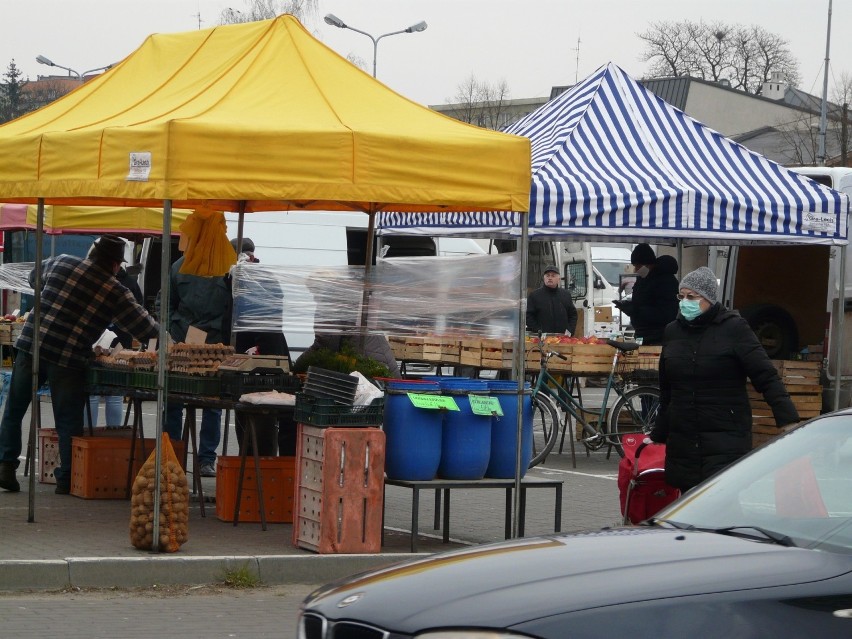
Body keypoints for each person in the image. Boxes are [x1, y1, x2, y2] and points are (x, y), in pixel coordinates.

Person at [0, 235, 159, 494]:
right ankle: (66, 479)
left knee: (15, 410)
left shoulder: (61, 262)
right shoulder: (116, 291)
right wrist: (167, 338)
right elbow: (145, 328)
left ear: (91, 253)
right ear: (115, 265)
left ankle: (5, 465)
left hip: (32, 347)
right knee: (67, 421)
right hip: (68, 358)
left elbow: (33, 278)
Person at [649, 266, 799, 493]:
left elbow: (765, 375)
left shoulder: (734, 328)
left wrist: (787, 419)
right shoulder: (673, 331)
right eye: (681, 296)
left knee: (720, 501)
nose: (684, 302)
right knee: (687, 507)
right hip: (684, 439)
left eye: (692, 297)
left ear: (709, 299)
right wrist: (658, 434)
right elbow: (668, 391)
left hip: (725, 436)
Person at [164, 246, 232, 478]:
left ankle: (202, 458)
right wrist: (168, 333)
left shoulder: (227, 267)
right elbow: (166, 303)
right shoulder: (179, 267)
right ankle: (175, 455)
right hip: (184, 341)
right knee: (176, 401)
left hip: (215, 345)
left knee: (211, 403)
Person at [226, 237, 296, 457]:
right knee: (249, 416)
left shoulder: (249, 279)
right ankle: (252, 464)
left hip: (263, 359)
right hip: (255, 357)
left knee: (260, 417)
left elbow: (265, 324)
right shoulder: (244, 276)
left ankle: (261, 467)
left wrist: (254, 350)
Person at [86, 266, 145, 429]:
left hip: (93, 341)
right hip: (121, 344)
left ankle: (87, 432)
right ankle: (114, 433)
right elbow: (139, 311)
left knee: (92, 393)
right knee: (115, 393)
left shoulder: (93, 280)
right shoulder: (130, 284)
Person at [612, 244, 679, 345]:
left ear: (647, 264)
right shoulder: (643, 278)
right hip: (642, 333)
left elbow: (666, 313)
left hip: (659, 337)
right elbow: (641, 301)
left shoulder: (666, 281)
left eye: (638, 266)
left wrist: (636, 311)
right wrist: (628, 306)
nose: (635, 270)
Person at [525, 265, 578, 335]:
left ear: (558, 279)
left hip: (562, 338)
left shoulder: (566, 295)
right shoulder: (534, 295)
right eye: (547, 275)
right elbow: (528, 315)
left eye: (553, 276)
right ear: (544, 278)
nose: (550, 278)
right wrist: (538, 330)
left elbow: (573, 315)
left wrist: (570, 330)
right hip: (542, 340)